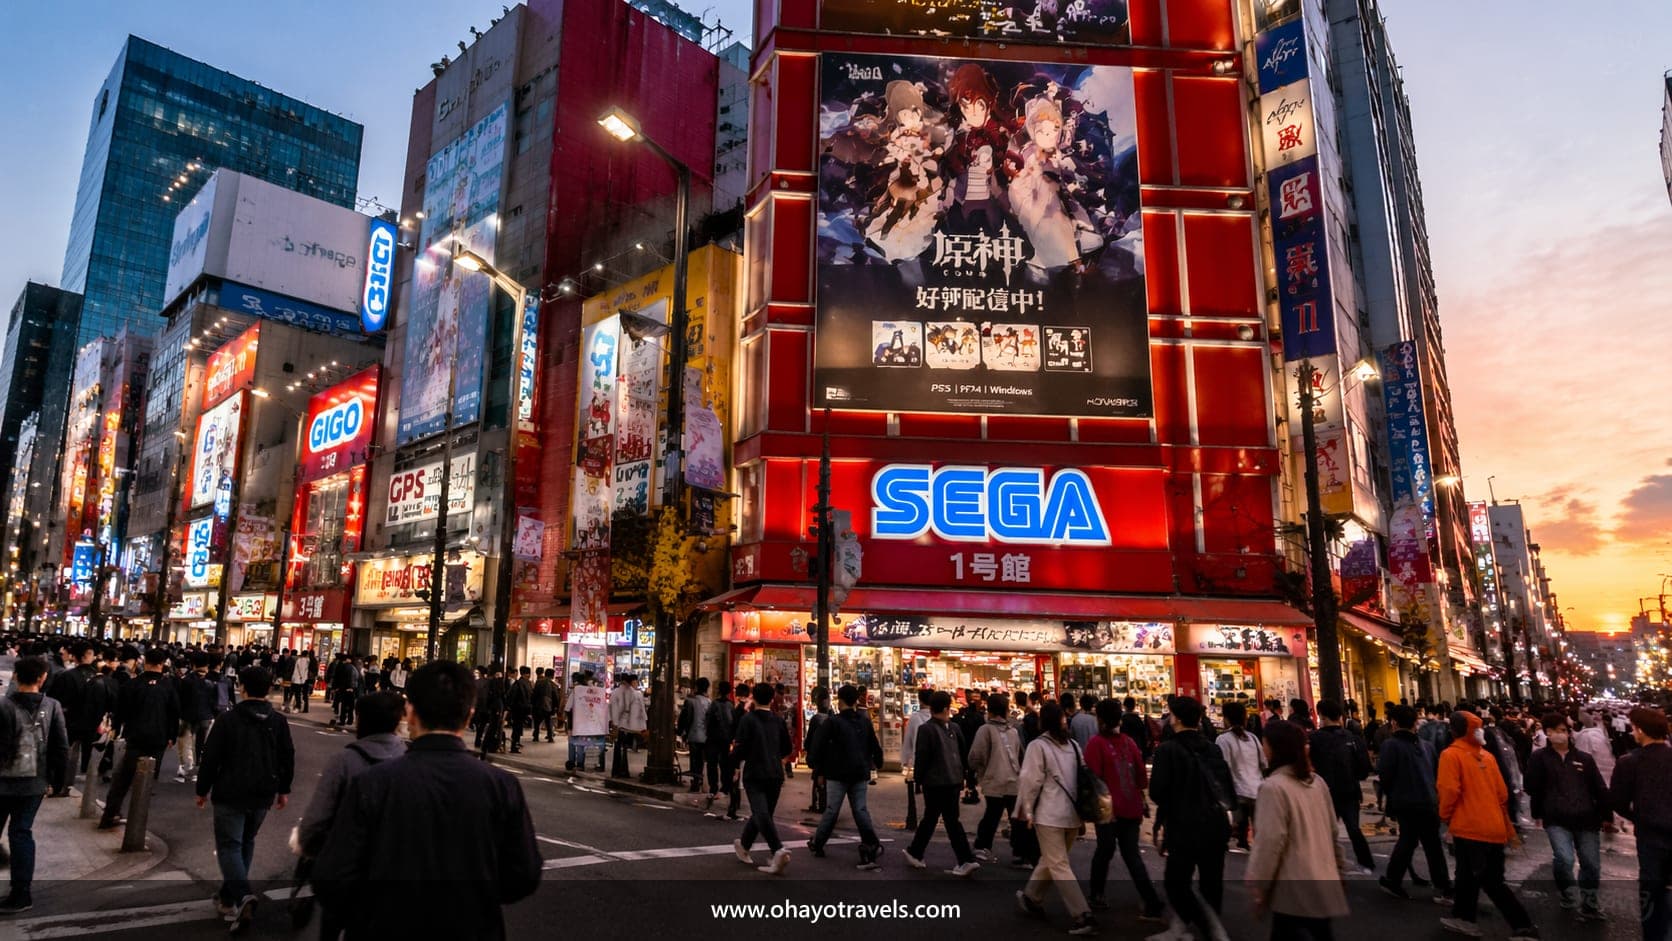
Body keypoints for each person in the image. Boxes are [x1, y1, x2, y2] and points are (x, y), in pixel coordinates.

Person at [311, 661, 541, 939]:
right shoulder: (502, 786)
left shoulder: (372, 783)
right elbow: (523, 875)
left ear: (410, 713)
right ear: (469, 716)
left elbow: (332, 875)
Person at [194, 667, 295, 933]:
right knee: (245, 842)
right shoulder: (278, 721)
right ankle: (229, 898)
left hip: (231, 790)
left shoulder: (228, 720)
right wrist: (283, 788)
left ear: (243, 688)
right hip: (263, 791)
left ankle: (241, 895)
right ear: (270, 689)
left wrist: (202, 789)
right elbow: (287, 757)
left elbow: (211, 757)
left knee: (229, 845)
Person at [1244, 719, 1351, 939]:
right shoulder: (1316, 782)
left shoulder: (1273, 788)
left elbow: (1270, 841)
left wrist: (1260, 883)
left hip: (1293, 888)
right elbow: (1333, 830)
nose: (1263, 749)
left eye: (1265, 743)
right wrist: (1339, 868)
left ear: (1275, 748)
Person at [1436, 710, 1536, 940]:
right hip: (1494, 826)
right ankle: (1463, 917)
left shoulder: (1451, 755)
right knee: (1466, 875)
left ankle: (1523, 925)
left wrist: (1445, 815)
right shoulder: (1487, 756)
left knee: (1488, 880)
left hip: (1469, 826)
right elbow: (1502, 793)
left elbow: (1449, 790)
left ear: (1453, 730)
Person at [1149, 695, 1235, 941]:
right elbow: (1226, 786)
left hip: (1184, 824)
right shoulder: (1213, 747)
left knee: (1176, 881)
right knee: (1212, 879)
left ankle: (1207, 926)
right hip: (1215, 823)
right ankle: (1208, 925)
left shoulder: (1167, 750)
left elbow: (1158, 791)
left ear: (1174, 719)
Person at [1014, 701, 1096, 936]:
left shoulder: (1037, 746)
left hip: (1049, 814)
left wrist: (1026, 810)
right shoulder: (1073, 745)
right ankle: (1032, 896)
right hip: (1072, 813)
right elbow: (1083, 778)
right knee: (1053, 859)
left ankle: (1082, 914)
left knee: (1058, 863)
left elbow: (1029, 781)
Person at [0, 656, 70, 914]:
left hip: (3, 781)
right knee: (21, 833)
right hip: (34, 783)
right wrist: (58, 782)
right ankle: (21, 893)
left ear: (16, 677)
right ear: (42, 679)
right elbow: (60, 748)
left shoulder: (3, 705)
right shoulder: (52, 706)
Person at [1086, 698, 1165, 920]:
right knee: (1131, 855)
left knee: (1104, 852)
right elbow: (1141, 776)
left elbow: (1093, 779)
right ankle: (1151, 901)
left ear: (1099, 719)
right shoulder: (1129, 742)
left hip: (1108, 809)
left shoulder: (1096, 744)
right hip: (1131, 807)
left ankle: (1096, 894)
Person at [1524, 712, 1607, 920]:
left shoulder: (1583, 759)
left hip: (1586, 818)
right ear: (1547, 734)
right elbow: (1531, 786)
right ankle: (1567, 893)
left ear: (1569, 733)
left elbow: (1599, 788)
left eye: (1561, 731)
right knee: (1564, 858)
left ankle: (1590, 904)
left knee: (1590, 862)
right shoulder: (1539, 758)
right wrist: (1538, 811)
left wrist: (1607, 816)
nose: (1557, 735)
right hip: (1555, 818)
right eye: (1551, 731)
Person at [1378, 704, 1453, 902]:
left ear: (1393, 722)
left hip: (1406, 802)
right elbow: (1436, 773)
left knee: (1408, 841)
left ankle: (1393, 880)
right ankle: (1443, 885)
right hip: (1429, 800)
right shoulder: (1426, 746)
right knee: (1432, 844)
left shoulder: (1391, 745)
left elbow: (1385, 776)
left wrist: (1389, 798)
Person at [99, 647, 180, 831]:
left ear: (145, 662)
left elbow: (121, 710)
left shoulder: (132, 684)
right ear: (162, 664)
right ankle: (138, 821)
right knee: (147, 777)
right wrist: (172, 735)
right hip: (159, 737)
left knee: (123, 777)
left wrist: (117, 729)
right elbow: (174, 712)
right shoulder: (168, 686)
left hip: (135, 735)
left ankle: (110, 814)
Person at [804, 684, 884, 868]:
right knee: (860, 810)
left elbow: (818, 747)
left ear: (839, 701)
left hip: (836, 773)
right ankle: (871, 842)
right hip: (859, 772)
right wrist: (877, 762)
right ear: (856, 700)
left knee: (832, 810)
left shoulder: (833, 722)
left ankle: (818, 842)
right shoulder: (864, 721)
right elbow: (874, 745)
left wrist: (817, 769)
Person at [1610, 706, 1672, 941]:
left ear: (1641, 731)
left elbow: (1617, 801)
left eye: (1634, 727)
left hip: (1650, 837)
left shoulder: (1629, 762)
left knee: (1652, 892)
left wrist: (1639, 817)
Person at [904, 689, 980, 877]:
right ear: (947, 708)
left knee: (936, 818)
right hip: (953, 780)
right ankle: (918, 852)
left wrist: (918, 780)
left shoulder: (927, 729)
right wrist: (965, 776)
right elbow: (963, 753)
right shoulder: (954, 728)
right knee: (946, 819)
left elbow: (922, 757)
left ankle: (963, 859)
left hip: (935, 781)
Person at [730, 682, 792, 874]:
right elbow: (787, 748)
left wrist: (733, 764)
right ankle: (745, 845)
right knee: (764, 813)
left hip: (755, 772)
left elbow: (740, 747)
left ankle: (777, 849)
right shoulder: (778, 720)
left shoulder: (748, 720)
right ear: (772, 698)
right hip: (774, 772)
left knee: (761, 813)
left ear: (753, 697)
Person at [1310, 699, 1375, 872]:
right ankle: (1366, 862)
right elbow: (1363, 770)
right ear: (1340, 716)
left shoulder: (1314, 739)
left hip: (1325, 792)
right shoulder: (1352, 738)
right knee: (1354, 828)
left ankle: (1324, 862)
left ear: (1321, 715)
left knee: (1324, 829)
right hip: (1350, 790)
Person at [967, 692, 1021, 865]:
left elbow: (976, 756)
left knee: (992, 814)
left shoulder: (985, 730)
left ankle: (982, 846)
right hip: (1014, 780)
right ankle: (1021, 852)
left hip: (994, 779)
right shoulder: (1013, 731)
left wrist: (978, 771)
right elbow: (1019, 754)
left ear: (989, 710)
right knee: (1016, 817)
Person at [1216, 701, 1265, 854]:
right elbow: (1263, 762)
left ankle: (1242, 844)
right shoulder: (1253, 738)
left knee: (1239, 825)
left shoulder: (1223, 740)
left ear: (1227, 719)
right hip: (1257, 788)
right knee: (1259, 827)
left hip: (1237, 790)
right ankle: (1259, 850)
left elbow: (1225, 766)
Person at [704, 680, 738, 814]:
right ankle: (725, 786)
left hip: (713, 738)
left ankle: (713, 787)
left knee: (712, 763)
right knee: (725, 763)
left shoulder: (714, 704)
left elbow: (708, 721)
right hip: (726, 739)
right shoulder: (731, 705)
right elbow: (733, 723)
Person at [678, 677, 712, 793]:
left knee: (694, 759)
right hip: (706, 735)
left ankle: (695, 782)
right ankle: (699, 780)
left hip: (693, 734)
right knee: (701, 760)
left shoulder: (690, 701)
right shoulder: (709, 702)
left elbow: (685, 719)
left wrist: (681, 731)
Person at [506, 666, 534, 754]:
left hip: (517, 708)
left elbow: (510, 696)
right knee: (517, 727)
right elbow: (529, 696)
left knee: (517, 727)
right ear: (527, 674)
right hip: (520, 708)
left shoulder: (519, 683)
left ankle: (515, 743)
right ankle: (514, 745)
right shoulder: (524, 683)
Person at [531, 668, 558, 744]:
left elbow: (534, 693)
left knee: (537, 721)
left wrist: (533, 703)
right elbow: (555, 696)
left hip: (538, 705)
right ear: (552, 675)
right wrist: (556, 706)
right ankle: (550, 737)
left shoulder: (538, 682)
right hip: (548, 705)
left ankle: (536, 737)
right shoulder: (552, 684)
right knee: (548, 721)